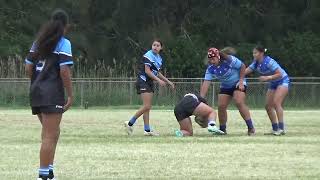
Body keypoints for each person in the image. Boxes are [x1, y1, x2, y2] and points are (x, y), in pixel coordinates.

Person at [25, 9, 73, 180]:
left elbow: (28, 67)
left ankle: (49, 171)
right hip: (52, 92)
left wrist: (37, 82)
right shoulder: (64, 43)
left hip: (36, 91)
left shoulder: (38, 42)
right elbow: (64, 71)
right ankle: (43, 175)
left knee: (50, 132)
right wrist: (70, 95)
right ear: (65, 26)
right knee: (50, 135)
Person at [200, 47, 256, 136]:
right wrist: (201, 98)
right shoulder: (210, 69)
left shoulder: (229, 60)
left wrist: (241, 81)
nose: (212, 61)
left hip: (238, 82)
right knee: (221, 106)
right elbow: (206, 83)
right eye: (210, 60)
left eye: (213, 59)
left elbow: (242, 66)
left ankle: (251, 127)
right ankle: (222, 130)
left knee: (239, 102)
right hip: (226, 86)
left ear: (218, 57)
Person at [124, 39, 175, 136]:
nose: (155, 47)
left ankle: (147, 130)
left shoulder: (159, 58)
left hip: (149, 82)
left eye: (158, 45)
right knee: (147, 106)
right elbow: (147, 71)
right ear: (151, 46)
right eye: (154, 45)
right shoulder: (148, 55)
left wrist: (168, 81)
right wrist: (159, 81)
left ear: (161, 48)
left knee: (147, 107)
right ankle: (130, 123)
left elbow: (157, 72)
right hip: (143, 80)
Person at [245, 45, 290, 136]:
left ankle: (281, 129)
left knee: (276, 103)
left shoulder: (269, 61)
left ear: (261, 53)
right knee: (268, 106)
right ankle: (275, 129)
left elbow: (280, 74)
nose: (254, 55)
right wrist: (236, 74)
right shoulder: (256, 62)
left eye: (255, 53)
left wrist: (267, 77)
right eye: (253, 53)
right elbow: (246, 71)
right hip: (273, 83)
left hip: (282, 80)